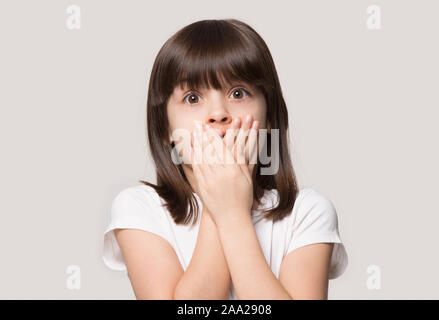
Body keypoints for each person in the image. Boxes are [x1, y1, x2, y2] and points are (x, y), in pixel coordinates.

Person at [101, 18, 348, 300]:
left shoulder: (307, 212)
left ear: (269, 120)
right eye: (193, 98)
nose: (218, 113)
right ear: (165, 129)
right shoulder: (139, 209)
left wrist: (233, 216)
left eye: (238, 93)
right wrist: (218, 201)